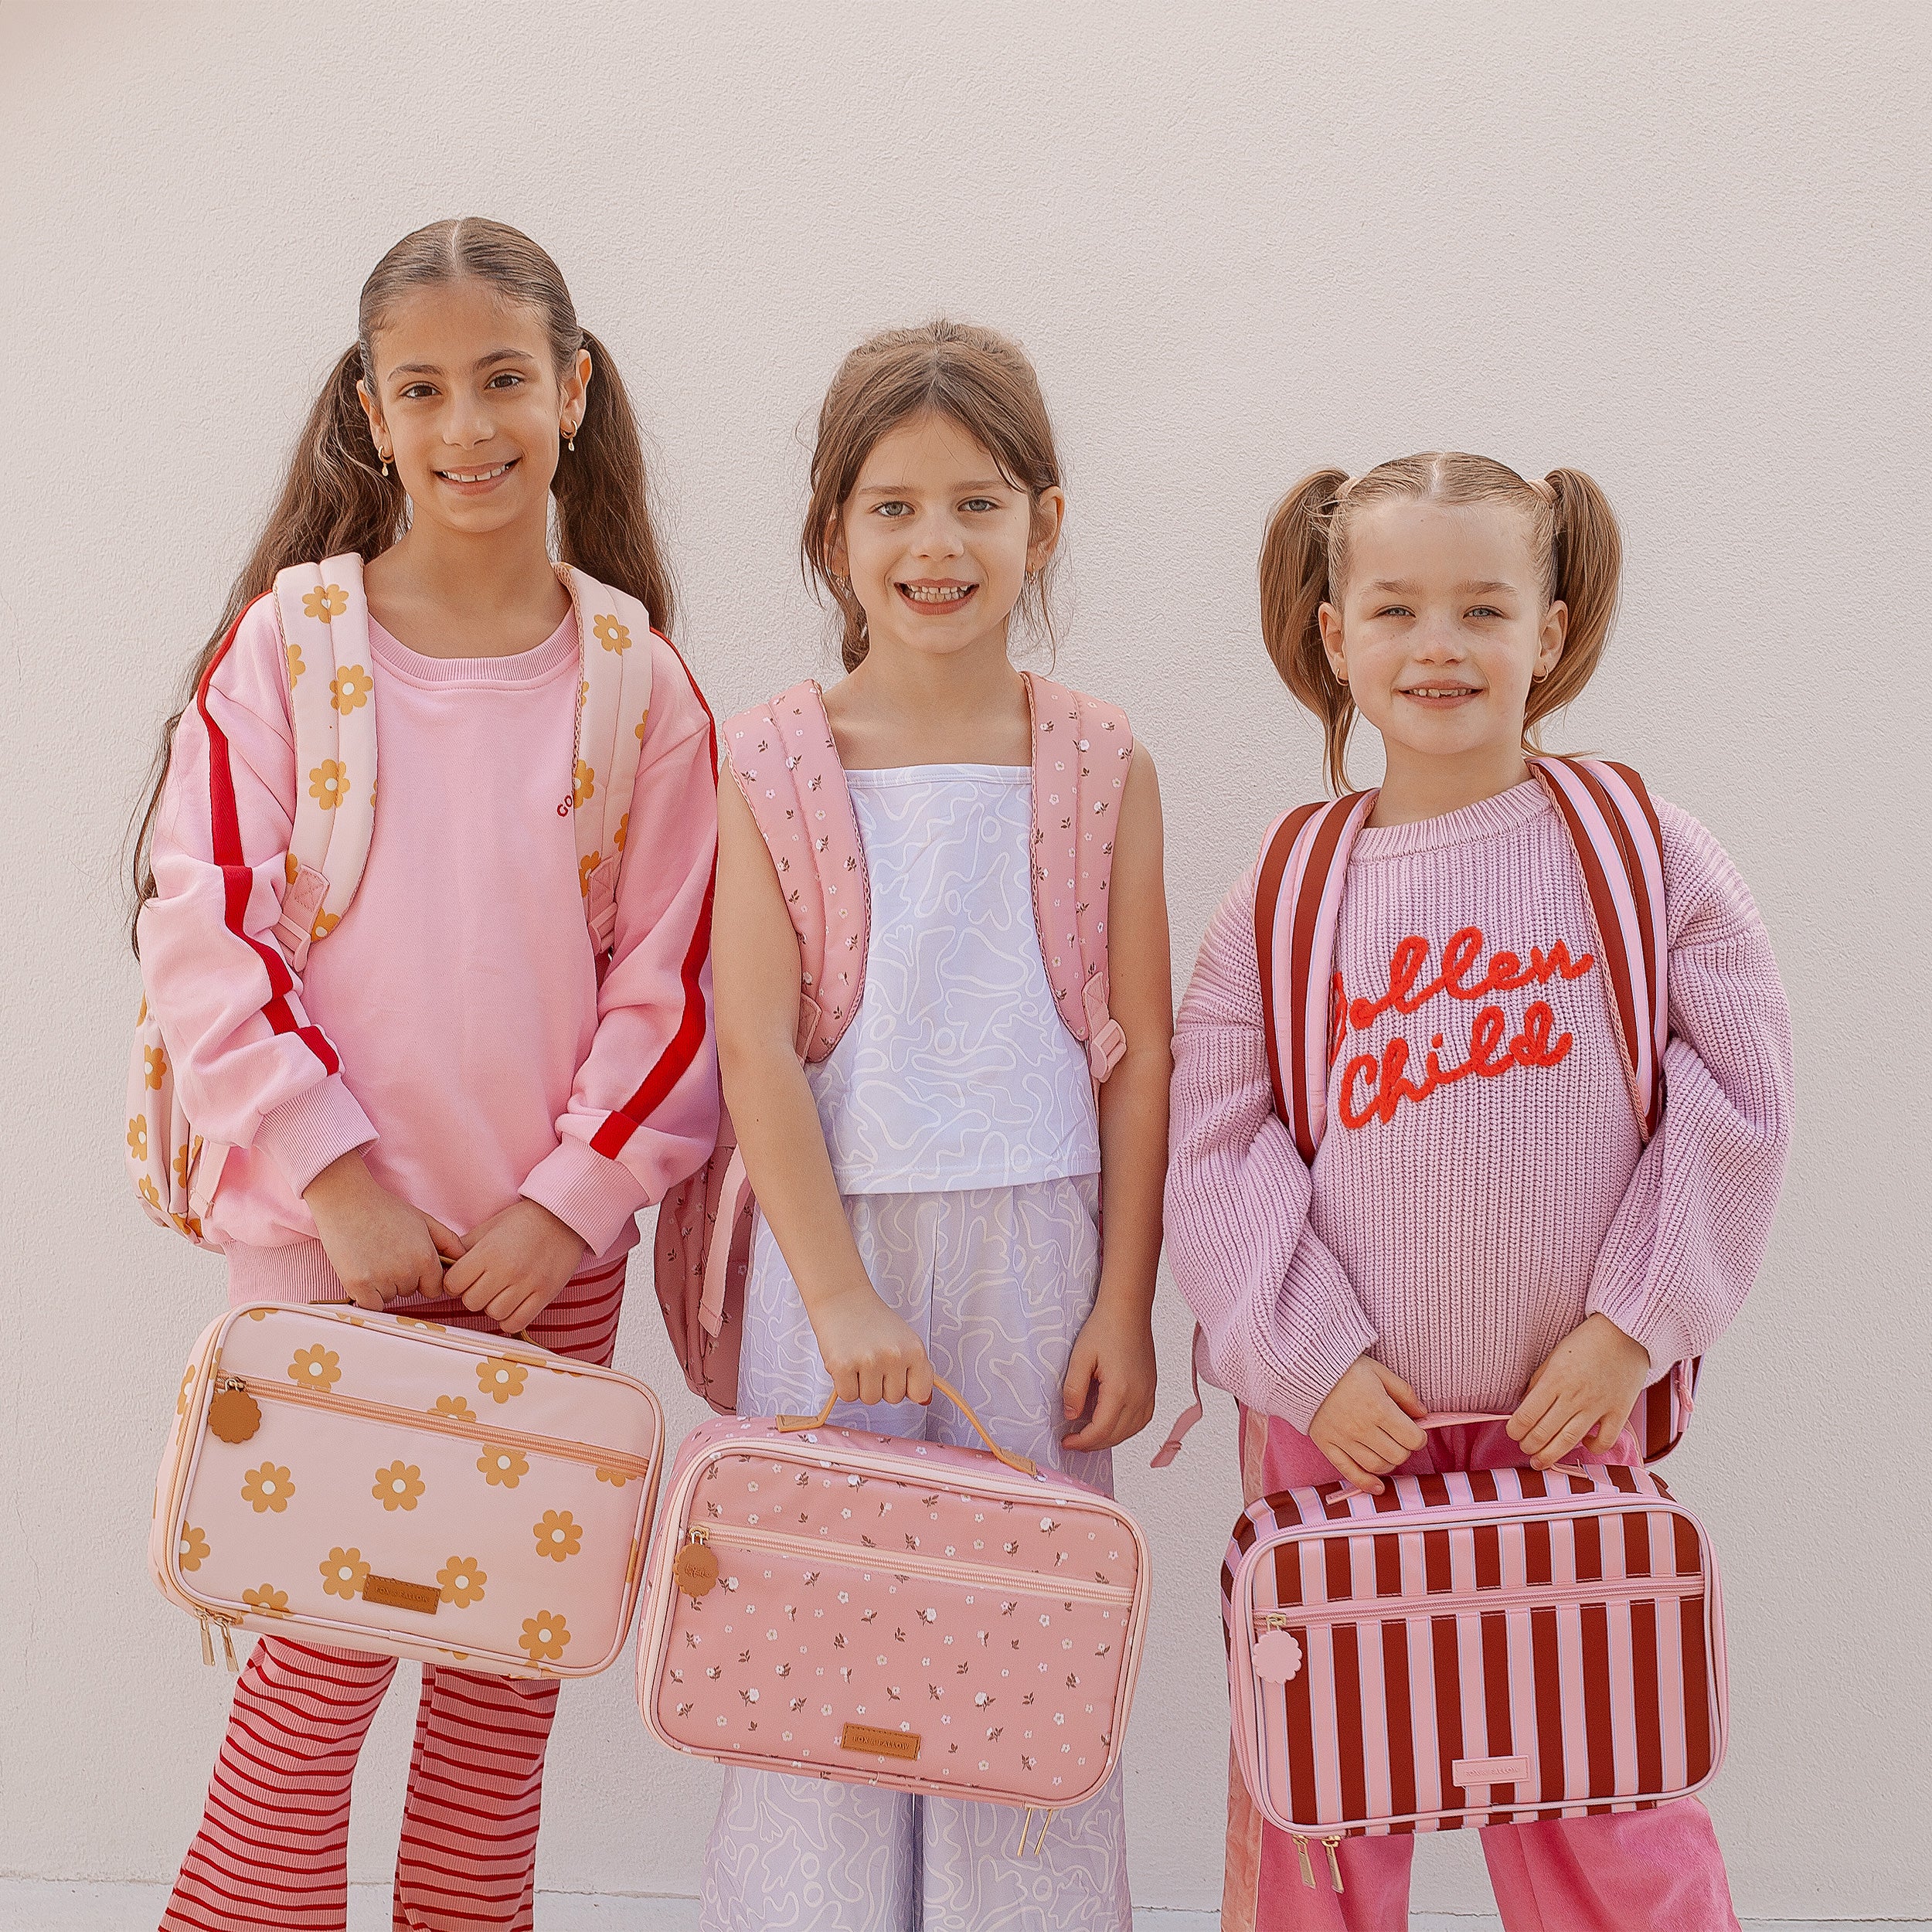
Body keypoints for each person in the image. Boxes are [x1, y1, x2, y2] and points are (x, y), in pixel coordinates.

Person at [133, 216, 718, 1932]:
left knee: (498, 1689)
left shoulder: (636, 682)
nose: (468, 425)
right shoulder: (286, 649)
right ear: (371, 417)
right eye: (424, 389)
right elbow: (207, 929)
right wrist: (336, 1181)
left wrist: (563, 1207)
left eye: (505, 380)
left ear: (574, 391)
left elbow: (670, 983)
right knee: (310, 1675)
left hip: (548, 1259)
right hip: (332, 1247)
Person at [1165, 453, 1791, 1930]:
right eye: (1393, 608)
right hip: (1343, 1444)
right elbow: (1216, 1141)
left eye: (1481, 608)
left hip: (1565, 1428)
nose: (1435, 646)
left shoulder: (1638, 851)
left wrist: (1637, 1320)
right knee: (1323, 1811)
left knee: (1608, 1805)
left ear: (1551, 633)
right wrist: (1307, 1362)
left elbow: (1740, 1093)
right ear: (1334, 637)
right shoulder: (1286, 886)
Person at [701, 320, 1172, 1931]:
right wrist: (831, 1292)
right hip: (831, 1255)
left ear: (1043, 519)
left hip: (1034, 1254)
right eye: (890, 505)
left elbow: (1137, 1048)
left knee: (1021, 1661)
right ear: (832, 531)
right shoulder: (768, 758)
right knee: (809, 1671)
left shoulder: (1098, 758)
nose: (934, 543)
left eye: (975, 502)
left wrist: (1120, 1297)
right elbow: (752, 1044)